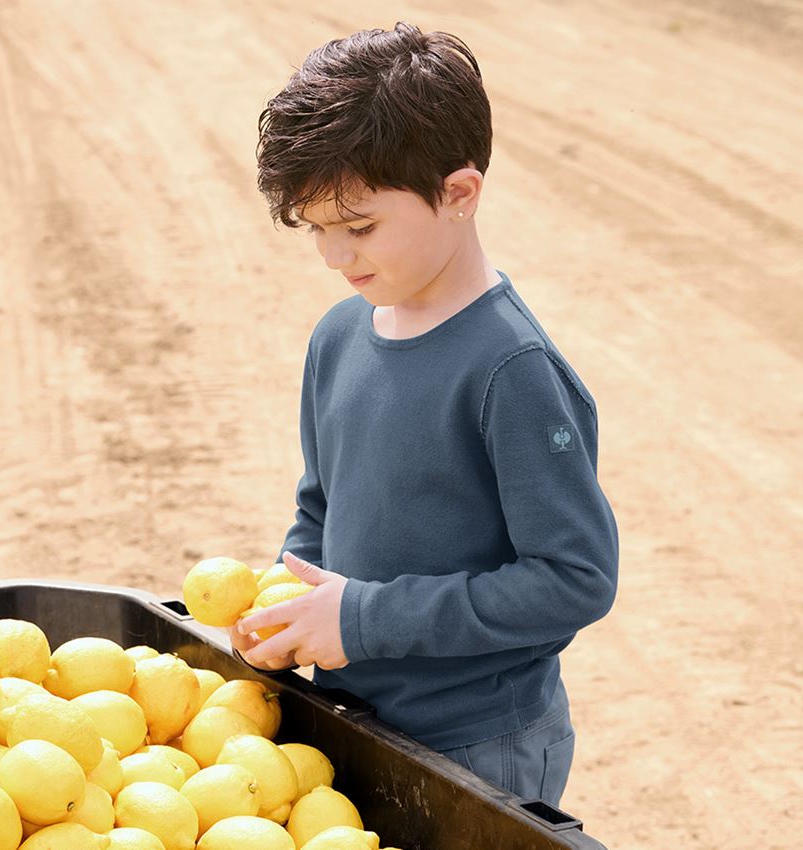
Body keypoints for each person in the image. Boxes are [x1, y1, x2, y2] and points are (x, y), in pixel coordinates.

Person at [228, 21, 618, 808]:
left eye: (359, 227)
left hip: (480, 743)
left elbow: (574, 579)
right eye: (318, 231)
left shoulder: (512, 371)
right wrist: (288, 601)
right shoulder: (340, 334)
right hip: (356, 714)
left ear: (459, 193)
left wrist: (364, 619)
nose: (337, 258)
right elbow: (321, 506)